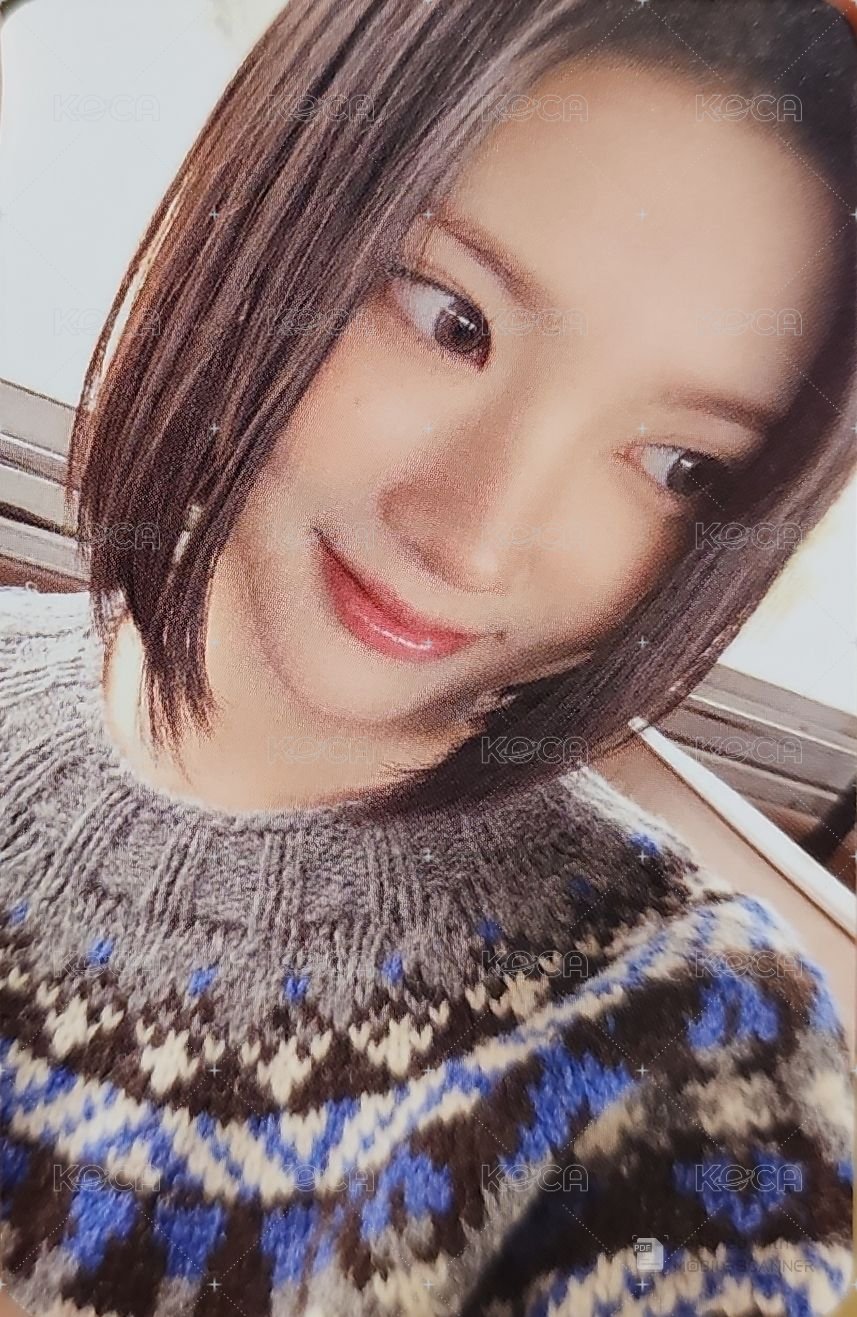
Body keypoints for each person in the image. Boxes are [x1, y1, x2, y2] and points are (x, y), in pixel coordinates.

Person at [1, 0, 855, 1313]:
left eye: (681, 465)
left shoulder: (688, 1037)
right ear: (271, 203)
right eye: (453, 319)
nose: (476, 538)